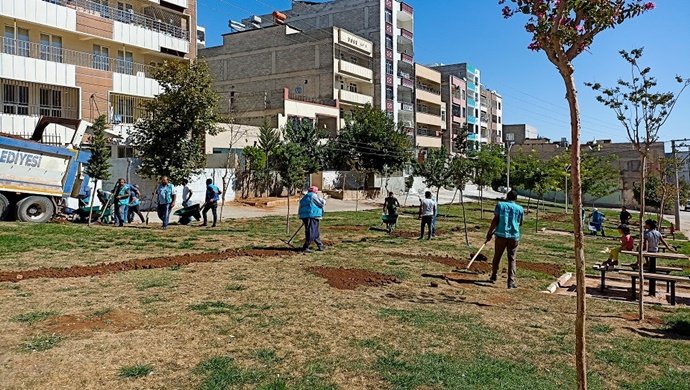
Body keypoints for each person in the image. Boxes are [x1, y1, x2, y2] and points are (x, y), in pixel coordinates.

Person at [485, 189, 524, 289]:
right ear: (516, 198)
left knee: (497, 256)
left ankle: (494, 275)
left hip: (501, 236)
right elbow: (520, 223)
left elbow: (495, 220)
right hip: (514, 237)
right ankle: (510, 282)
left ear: (507, 197)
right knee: (512, 259)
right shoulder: (520, 209)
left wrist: (489, 233)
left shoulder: (500, 205)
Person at [298, 186, 326, 253]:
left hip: (307, 216)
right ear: (315, 191)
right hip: (312, 216)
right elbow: (321, 203)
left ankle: (320, 245)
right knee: (312, 232)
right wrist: (324, 199)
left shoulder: (305, 196)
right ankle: (305, 247)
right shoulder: (313, 196)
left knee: (315, 232)